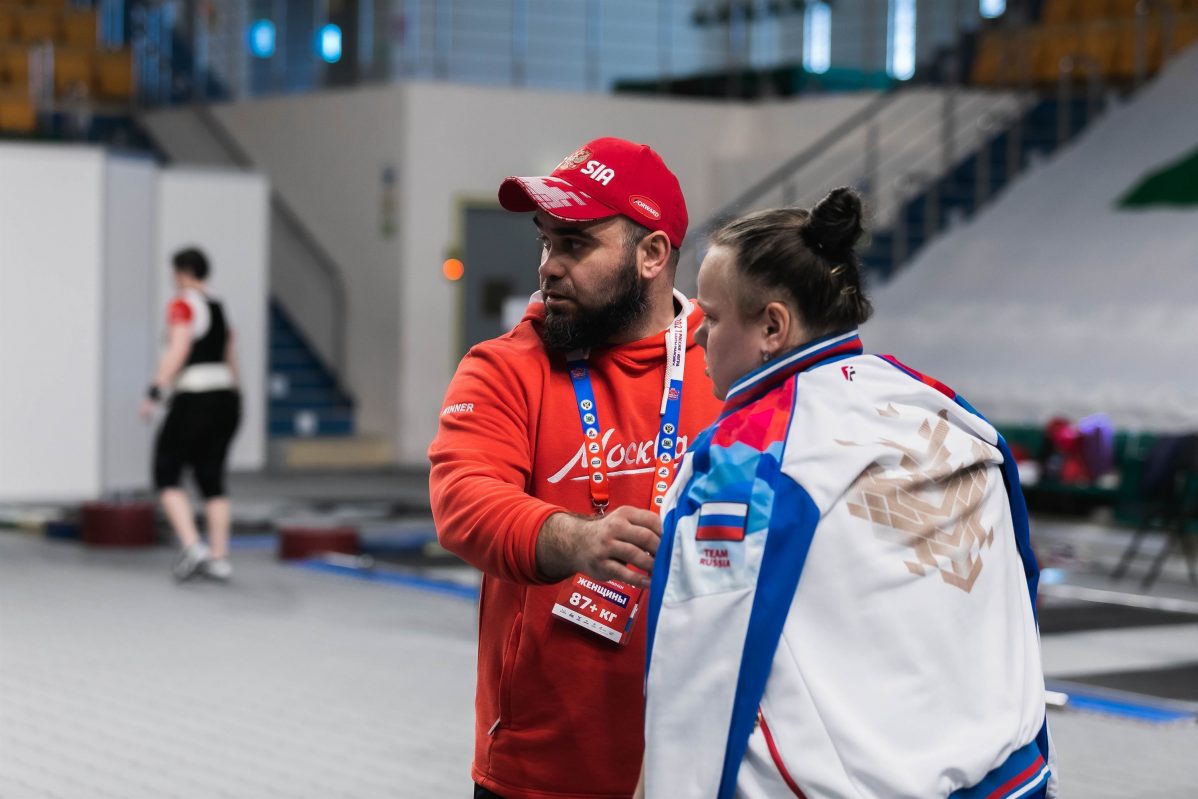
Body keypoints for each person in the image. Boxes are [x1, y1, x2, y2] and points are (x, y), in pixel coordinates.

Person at [640, 188, 1056, 799]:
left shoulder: (744, 458)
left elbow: (698, 670)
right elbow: (1019, 590)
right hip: (1012, 777)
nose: (697, 334)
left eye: (714, 316)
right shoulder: (946, 409)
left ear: (772, 326)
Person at [428, 137, 723, 799]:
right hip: (539, 770)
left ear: (653, 254)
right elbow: (464, 500)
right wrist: (580, 539)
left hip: (704, 761)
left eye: (575, 244)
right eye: (546, 242)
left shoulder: (728, 363)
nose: (549, 268)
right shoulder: (504, 366)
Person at [141, 248, 242, 582]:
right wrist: (235, 396)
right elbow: (230, 355)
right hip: (226, 397)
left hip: (195, 397)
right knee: (212, 477)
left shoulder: (183, 304)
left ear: (183, 272)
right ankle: (219, 557)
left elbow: (179, 348)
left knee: (166, 471)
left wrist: (155, 390)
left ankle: (192, 546)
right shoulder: (220, 307)